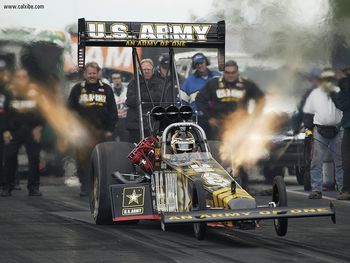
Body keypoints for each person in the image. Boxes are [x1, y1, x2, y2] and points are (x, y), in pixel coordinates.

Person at [68, 62, 117, 196]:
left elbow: (113, 110)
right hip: (82, 133)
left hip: (102, 132)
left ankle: (100, 186)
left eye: (94, 73)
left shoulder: (106, 89)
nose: (91, 76)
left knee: (102, 160)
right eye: (89, 73)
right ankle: (85, 186)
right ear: (85, 74)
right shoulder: (77, 89)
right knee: (83, 159)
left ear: (98, 73)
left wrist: (110, 129)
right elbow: (70, 111)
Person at [1, 68, 44, 197]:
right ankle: (7, 187)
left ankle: (33, 187)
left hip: (32, 130)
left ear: (28, 78)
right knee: (9, 158)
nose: (22, 79)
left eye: (24, 77)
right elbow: (3, 112)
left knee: (34, 158)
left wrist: (40, 127)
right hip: (14, 131)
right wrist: (5, 130)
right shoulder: (8, 93)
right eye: (19, 77)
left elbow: (44, 112)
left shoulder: (35, 92)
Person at [196, 60, 265, 140]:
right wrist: (209, 117)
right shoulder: (214, 83)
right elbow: (199, 99)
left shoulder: (246, 84)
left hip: (240, 125)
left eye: (233, 72)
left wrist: (254, 117)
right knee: (218, 150)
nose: (230, 75)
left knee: (241, 150)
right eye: (227, 72)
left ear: (237, 72)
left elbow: (261, 99)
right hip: (218, 125)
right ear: (223, 73)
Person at [303, 69, 343, 199]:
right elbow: (308, 113)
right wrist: (308, 128)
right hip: (319, 131)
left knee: (341, 162)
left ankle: (343, 189)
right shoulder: (315, 94)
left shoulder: (339, 92)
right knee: (316, 162)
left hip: (337, 130)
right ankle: (316, 190)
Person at [181, 53, 220, 135]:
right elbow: (182, 102)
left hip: (217, 118)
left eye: (201, 63)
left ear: (206, 62)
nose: (200, 65)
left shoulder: (217, 76)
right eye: (197, 64)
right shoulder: (189, 81)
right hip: (198, 119)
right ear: (194, 66)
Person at [125, 58, 162, 143]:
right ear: (139, 71)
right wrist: (149, 96)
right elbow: (130, 101)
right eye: (144, 69)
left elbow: (158, 99)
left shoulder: (159, 83)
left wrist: (140, 97)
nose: (146, 71)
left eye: (148, 69)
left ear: (153, 70)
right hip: (135, 125)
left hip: (153, 124)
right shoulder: (133, 83)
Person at [330, 67, 350, 200]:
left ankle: (347, 191)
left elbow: (342, 104)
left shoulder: (346, 88)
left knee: (347, 161)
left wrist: (333, 94)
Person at [0, 60, 12, 191]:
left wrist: (8, 128)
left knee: (7, 155)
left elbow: (11, 110)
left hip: (5, 126)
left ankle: (7, 182)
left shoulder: (8, 89)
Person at [111, 72, 129, 142]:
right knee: (111, 142)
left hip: (124, 120)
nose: (116, 80)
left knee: (125, 140)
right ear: (112, 80)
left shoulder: (127, 90)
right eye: (114, 78)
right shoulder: (109, 90)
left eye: (118, 78)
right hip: (114, 120)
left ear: (121, 79)